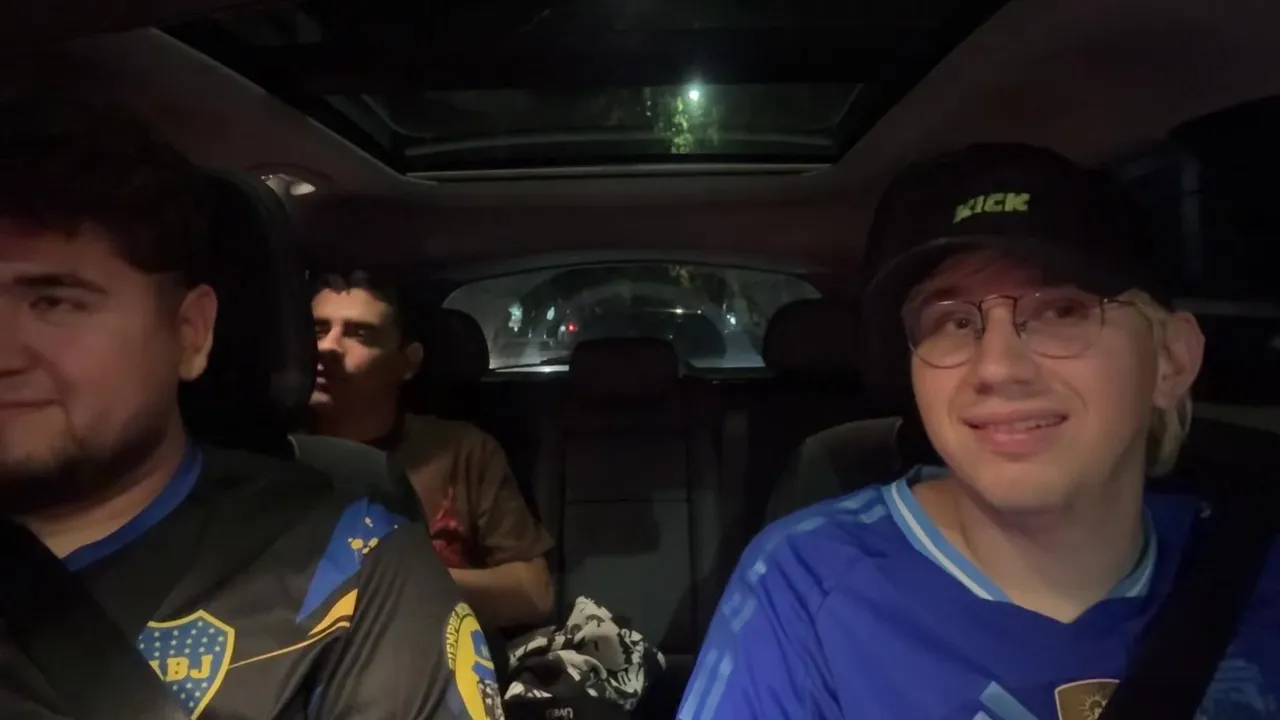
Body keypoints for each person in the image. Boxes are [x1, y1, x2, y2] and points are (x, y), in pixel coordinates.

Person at [679, 144, 1279, 719]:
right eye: (954, 322)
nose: (996, 367)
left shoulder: (1253, 573)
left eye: (1061, 310)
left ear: (1171, 360)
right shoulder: (809, 585)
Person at [0, 94, 502, 719]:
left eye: (53, 303)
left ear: (191, 334)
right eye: (319, 330)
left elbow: (533, 589)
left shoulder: (355, 574)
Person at [309, 271, 555, 629]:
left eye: (360, 334)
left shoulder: (462, 450)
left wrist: (397, 579)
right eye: (317, 331)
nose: (327, 347)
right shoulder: (270, 452)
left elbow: (536, 593)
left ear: (408, 362)